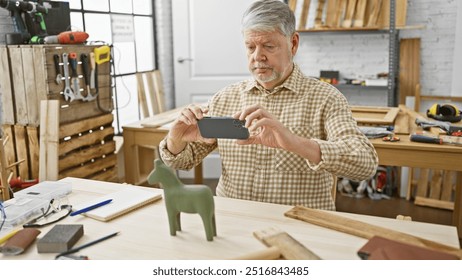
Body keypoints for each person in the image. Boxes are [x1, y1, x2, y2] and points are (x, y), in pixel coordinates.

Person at [159, 0, 378, 211]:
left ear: (293, 44)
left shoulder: (326, 98)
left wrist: (294, 143)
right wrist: (176, 140)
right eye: (250, 47)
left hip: (299, 224)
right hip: (233, 219)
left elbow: (365, 162)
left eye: (268, 46)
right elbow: (182, 163)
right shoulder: (224, 98)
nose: (257, 57)